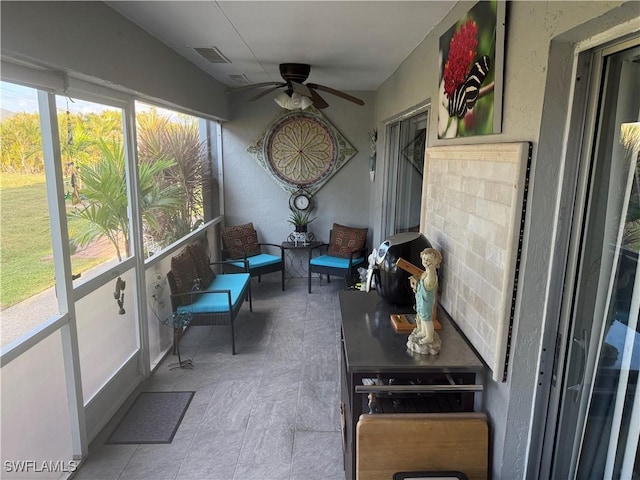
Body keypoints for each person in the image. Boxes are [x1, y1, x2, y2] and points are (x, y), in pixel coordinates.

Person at [407, 247, 442, 355]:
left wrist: (431, 268)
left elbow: (429, 280)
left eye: (429, 260)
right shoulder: (426, 273)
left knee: (427, 319)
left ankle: (429, 337)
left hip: (426, 302)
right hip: (421, 301)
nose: (426, 262)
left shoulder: (431, 275)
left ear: (436, 262)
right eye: (424, 259)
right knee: (422, 317)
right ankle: (423, 331)